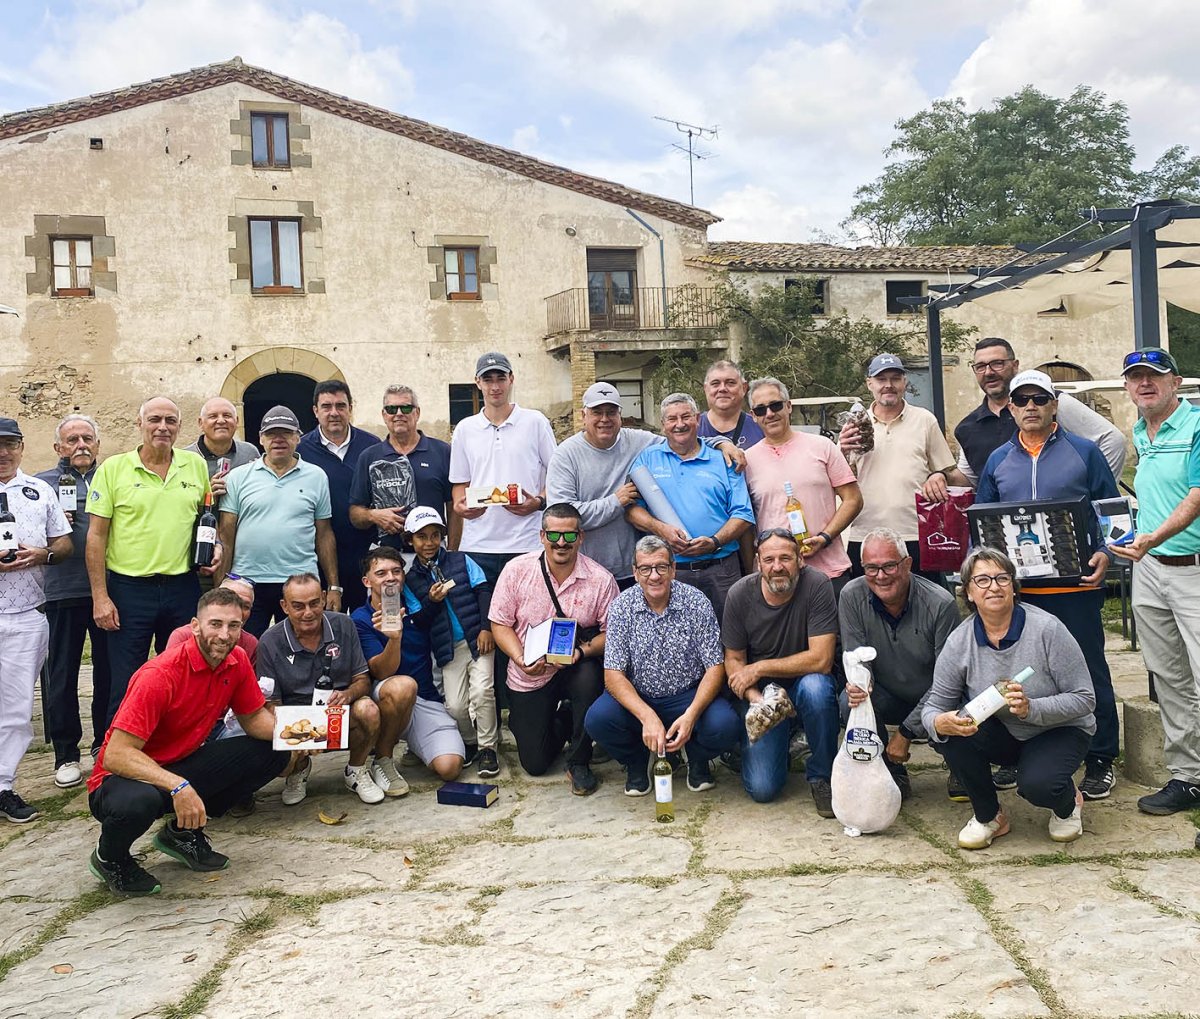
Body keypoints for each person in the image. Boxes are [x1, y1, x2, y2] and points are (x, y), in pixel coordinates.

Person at [974, 369, 1120, 801]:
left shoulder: (1085, 452)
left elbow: (1113, 511)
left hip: (1075, 589)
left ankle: (1100, 756)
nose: (1031, 407)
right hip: (1022, 594)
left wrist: (1107, 553)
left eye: (1040, 399)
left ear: (1055, 404)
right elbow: (982, 524)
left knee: (1089, 672)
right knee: (1018, 674)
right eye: (1022, 401)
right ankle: (1018, 753)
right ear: (1012, 408)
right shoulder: (999, 460)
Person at [85, 587, 288, 895]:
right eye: (215, 624)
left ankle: (181, 835)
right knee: (139, 802)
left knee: (273, 752)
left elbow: (254, 719)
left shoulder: (237, 660)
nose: (224, 634)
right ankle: (110, 858)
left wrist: (296, 736)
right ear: (195, 626)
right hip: (121, 777)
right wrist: (178, 786)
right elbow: (116, 756)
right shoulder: (160, 675)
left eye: (234, 626)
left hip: (179, 764)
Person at [923, 547, 1096, 849]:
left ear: (1014, 588)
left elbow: (1085, 699)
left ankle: (1068, 803)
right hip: (1004, 733)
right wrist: (939, 722)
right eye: (982, 580)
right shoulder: (959, 641)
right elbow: (934, 706)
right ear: (967, 592)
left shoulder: (1047, 629)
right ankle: (989, 816)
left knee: (1038, 786)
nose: (993, 586)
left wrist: (1032, 708)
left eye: (1002, 578)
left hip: (1059, 729)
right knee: (948, 733)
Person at [86, 396, 217, 728]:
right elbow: (96, 536)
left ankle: (176, 746)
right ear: (139, 424)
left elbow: (204, 520)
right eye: (155, 419)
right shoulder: (113, 469)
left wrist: (213, 549)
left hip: (181, 586)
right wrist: (101, 597)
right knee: (127, 678)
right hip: (130, 589)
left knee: (184, 673)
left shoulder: (195, 466)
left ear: (179, 427)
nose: (163, 427)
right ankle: (114, 757)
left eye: (170, 421)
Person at [1109, 347, 1200, 816]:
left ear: (1176, 382)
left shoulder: (1197, 425)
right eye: (1135, 378)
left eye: (1155, 376)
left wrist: (1153, 537)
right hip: (1150, 570)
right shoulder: (1141, 434)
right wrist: (1133, 538)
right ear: (1127, 387)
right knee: (1169, 678)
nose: (1145, 384)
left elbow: (1195, 497)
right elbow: (1155, 499)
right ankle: (1187, 778)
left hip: (1193, 569)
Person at [546, 381, 744, 588]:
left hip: (636, 570)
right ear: (583, 415)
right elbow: (561, 518)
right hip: (586, 570)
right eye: (597, 412)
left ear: (620, 415)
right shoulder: (565, 455)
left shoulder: (639, 441)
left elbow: (682, 438)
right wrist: (615, 502)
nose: (605, 419)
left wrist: (722, 443)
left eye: (611, 412)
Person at [586, 535, 740, 795]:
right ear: (635, 573)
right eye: (645, 569)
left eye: (661, 567)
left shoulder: (696, 602)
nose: (654, 576)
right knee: (598, 720)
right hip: (640, 694)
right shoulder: (622, 607)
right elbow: (613, 674)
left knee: (726, 725)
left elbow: (716, 666)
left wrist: (691, 716)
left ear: (673, 569)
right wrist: (647, 717)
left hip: (688, 695)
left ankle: (697, 757)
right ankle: (636, 761)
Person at [449, 352, 557, 707]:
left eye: (500, 378)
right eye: (487, 379)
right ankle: (492, 704)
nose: (495, 386)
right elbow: (459, 487)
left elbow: (554, 481)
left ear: (511, 379)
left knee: (529, 620)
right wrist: (465, 508)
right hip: (479, 544)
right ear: (478, 384)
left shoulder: (535, 422)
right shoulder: (465, 428)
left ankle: (529, 696)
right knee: (485, 628)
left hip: (526, 543)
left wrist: (536, 503)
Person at [489, 503, 617, 794]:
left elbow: (612, 633)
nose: (562, 543)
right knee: (535, 764)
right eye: (554, 535)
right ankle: (564, 719)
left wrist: (582, 653)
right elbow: (499, 624)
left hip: (574, 664)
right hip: (529, 670)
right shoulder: (516, 570)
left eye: (570, 536)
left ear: (581, 537)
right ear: (542, 535)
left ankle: (579, 761)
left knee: (589, 676)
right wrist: (520, 658)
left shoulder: (600, 579)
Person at [722, 528, 839, 816]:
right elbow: (734, 660)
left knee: (817, 688)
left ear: (800, 559)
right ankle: (780, 742)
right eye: (769, 559)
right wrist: (755, 698)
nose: (777, 567)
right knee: (762, 790)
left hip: (803, 685)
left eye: (786, 558)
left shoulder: (817, 585)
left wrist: (760, 666)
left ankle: (822, 776)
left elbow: (822, 659)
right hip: (764, 697)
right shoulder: (739, 594)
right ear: (758, 562)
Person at [838, 527, 961, 800]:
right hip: (887, 692)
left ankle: (960, 766)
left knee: (964, 696)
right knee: (849, 702)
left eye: (889, 566)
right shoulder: (850, 596)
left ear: (907, 564)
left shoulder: (941, 603)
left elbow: (947, 682)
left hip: (935, 695)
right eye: (871, 568)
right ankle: (890, 772)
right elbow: (857, 657)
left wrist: (905, 734)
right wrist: (860, 685)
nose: (880, 576)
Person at [930, 336, 1127, 494]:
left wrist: (1092, 492)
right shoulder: (968, 427)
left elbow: (1112, 440)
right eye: (980, 366)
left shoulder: (1052, 402)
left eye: (997, 364)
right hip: (1007, 529)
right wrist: (941, 476)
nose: (988, 372)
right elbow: (970, 478)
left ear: (1015, 365)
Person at [256, 573, 387, 805]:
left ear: (324, 598)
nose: (308, 612)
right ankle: (298, 770)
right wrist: (302, 734)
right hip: (296, 719)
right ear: (284, 606)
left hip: (337, 713)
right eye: (298, 606)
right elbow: (271, 705)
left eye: (314, 603)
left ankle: (356, 770)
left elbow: (362, 680)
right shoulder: (269, 641)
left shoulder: (344, 624)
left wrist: (348, 695)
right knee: (280, 765)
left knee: (368, 708)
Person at [0, 416, 73, 823]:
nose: (3, 453)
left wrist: (41, 554)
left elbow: (62, 543)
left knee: (15, 707)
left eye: (10, 444)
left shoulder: (39, 490)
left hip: (28, 614)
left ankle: (3, 784)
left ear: (22, 447)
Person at [626, 393, 754, 619]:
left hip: (722, 569)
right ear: (663, 424)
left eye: (686, 417)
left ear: (697, 419)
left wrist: (715, 542)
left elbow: (743, 513)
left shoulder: (723, 459)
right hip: (671, 573)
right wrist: (660, 529)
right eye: (672, 419)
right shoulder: (647, 459)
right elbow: (631, 510)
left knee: (731, 637)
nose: (680, 424)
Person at [35, 413, 112, 787]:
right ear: (58, 448)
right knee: (62, 675)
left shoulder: (112, 477)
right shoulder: (41, 485)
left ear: (98, 444)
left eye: (87, 439)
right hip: (61, 591)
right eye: (72, 440)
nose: (80, 445)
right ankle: (66, 754)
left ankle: (104, 743)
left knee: (108, 672)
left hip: (108, 591)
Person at [217, 405, 339, 636]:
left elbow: (324, 534)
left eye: (286, 433)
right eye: (272, 434)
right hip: (247, 582)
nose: (279, 439)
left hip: (299, 583)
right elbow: (226, 535)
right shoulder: (238, 477)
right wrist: (219, 586)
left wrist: (333, 586)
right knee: (246, 651)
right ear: (261, 439)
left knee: (301, 649)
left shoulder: (316, 476)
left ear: (298, 438)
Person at [838, 353, 957, 582]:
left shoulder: (924, 420)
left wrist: (938, 474)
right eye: (881, 380)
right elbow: (839, 482)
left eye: (895, 378)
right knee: (868, 608)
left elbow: (946, 470)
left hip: (916, 533)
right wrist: (842, 451)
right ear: (869, 384)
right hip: (865, 535)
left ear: (905, 382)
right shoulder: (854, 425)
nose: (888, 385)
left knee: (924, 606)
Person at [353, 546, 465, 786]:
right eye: (381, 573)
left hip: (424, 698)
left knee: (450, 767)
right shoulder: (360, 619)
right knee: (403, 686)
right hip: (384, 700)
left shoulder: (416, 607)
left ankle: (416, 745)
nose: (391, 577)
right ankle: (383, 758)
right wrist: (394, 638)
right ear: (367, 581)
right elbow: (382, 672)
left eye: (396, 571)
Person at [743, 376, 862, 595]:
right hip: (776, 578)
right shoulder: (747, 460)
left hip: (828, 573)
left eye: (776, 405)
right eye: (760, 410)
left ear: (789, 406)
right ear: (753, 416)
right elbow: (746, 525)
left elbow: (853, 499)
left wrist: (825, 537)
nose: (769, 414)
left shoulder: (822, 446)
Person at [404, 505, 499, 778]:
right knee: (455, 705)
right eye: (421, 537)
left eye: (435, 535)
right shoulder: (411, 579)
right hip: (448, 648)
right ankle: (470, 742)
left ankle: (488, 748)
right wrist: (432, 602)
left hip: (478, 640)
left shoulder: (461, 560)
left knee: (482, 692)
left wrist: (486, 628)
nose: (429, 542)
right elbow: (419, 619)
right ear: (410, 540)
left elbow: (483, 590)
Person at [298, 380, 379, 613]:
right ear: (315, 411)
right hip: (318, 558)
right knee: (325, 629)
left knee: (366, 626)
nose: (334, 413)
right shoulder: (301, 451)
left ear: (351, 408)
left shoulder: (371, 447)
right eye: (326, 406)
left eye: (340, 406)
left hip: (365, 556)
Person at [350, 384, 456, 550]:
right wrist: (373, 515)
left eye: (406, 408)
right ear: (384, 415)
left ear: (417, 413)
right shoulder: (369, 457)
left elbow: (453, 507)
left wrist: (452, 554)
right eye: (391, 409)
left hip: (433, 553)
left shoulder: (442, 452)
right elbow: (355, 513)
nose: (398, 414)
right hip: (388, 557)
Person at [183, 397, 259, 506]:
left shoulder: (249, 453)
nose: (221, 421)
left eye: (227, 416)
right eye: (213, 416)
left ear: (237, 421)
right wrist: (207, 496)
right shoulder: (186, 458)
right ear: (200, 423)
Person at [697, 359, 765, 449]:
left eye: (730, 383)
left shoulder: (761, 427)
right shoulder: (692, 428)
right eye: (715, 383)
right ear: (705, 389)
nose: (722, 389)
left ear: (744, 388)